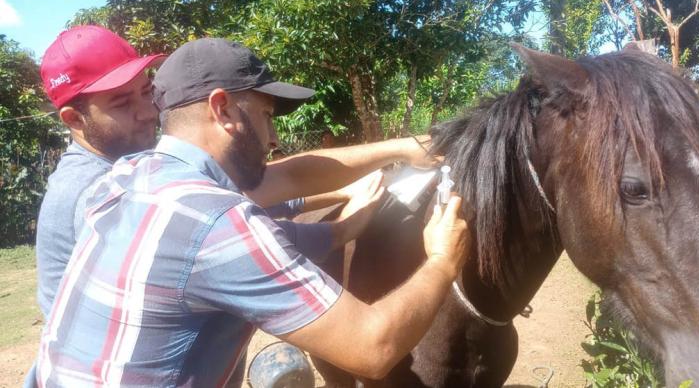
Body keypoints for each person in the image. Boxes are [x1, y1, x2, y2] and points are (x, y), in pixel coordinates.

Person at [36, 38, 470, 387]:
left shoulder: (129, 175)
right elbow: (373, 348)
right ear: (222, 110)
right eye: (266, 115)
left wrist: (399, 151)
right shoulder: (217, 224)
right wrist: (442, 260)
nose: (275, 137)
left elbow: (290, 178)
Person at [35, 25, 165, 319]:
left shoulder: (123, 165)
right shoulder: (96, 189)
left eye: (146, 92)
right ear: (74, 119)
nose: (149, 113)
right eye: (122, 103)